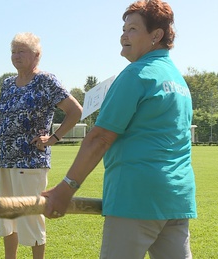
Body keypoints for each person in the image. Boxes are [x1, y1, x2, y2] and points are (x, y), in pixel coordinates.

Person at [41, 1, 197, 258]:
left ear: (156, 35)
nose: (124, 35)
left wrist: (65, 188)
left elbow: (100, 138)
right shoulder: (177, 80)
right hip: (176, 198)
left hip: (136, 197)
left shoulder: (137, 74)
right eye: (124, 28)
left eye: (133, 29)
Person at [0, 32, 82, 259]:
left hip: (30, 161)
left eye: (22, 51)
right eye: (13, 51)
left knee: (31, 216)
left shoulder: (46, 81)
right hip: (5, 162)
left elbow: (75, 111)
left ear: (36, 55)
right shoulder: (8, 84)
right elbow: (0, 123)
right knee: (7, 217)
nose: (16, 56)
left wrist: (53, 138)